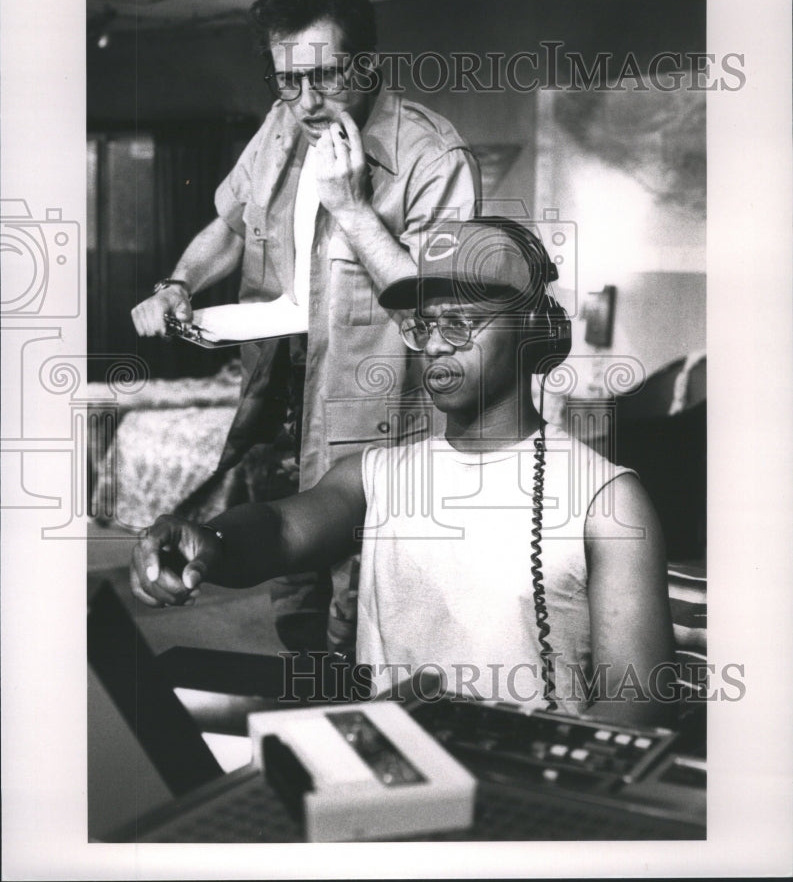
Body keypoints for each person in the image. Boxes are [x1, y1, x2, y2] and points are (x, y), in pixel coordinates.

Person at [131, 218, 677, 726]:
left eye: (461, 322)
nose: (436, 342)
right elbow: (278, 529)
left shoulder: (608, 500)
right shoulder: (375, 475)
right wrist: (210, 541)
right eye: (425, 324)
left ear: (533, 330)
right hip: (392, 773)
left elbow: (636, 708)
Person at [130, 0, 481, 657]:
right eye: (287, 79)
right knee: (295, 606)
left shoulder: (431, 157)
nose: (307, 99)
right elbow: (230, 225)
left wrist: (352, 208)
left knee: (362, 622)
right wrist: (177, 283)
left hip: (373, 434)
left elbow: (440, 316)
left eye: (325, 76)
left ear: (369, 63)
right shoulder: (281, 124)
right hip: (280, 414)